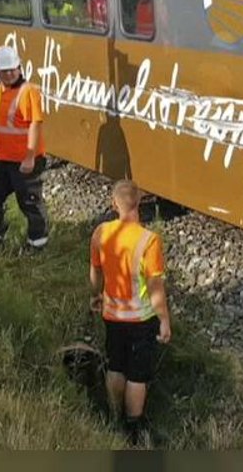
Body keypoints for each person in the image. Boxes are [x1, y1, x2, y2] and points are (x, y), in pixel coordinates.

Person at [89, 179, 171, 448]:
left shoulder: (101, 233)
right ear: (139, 205)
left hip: (112, 315)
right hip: (141, 318)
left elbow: (96, 272)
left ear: (114, 204)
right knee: (137, 374)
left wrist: (96, 294)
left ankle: (114, 416)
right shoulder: (149, 241)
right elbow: (156, 286)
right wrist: (164, 320)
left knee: (116, 365)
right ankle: (133, 427)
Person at [0, 44, 49, 251]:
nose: (9, 74)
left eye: (13, 69)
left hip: (23, 159)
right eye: (4, 70)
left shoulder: (27, 92)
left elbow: (35, 124)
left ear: (19, 67)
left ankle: (37, 244)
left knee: (29, 202)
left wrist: (29, 157)